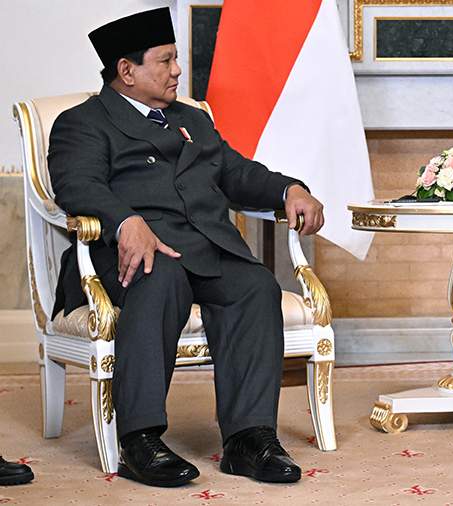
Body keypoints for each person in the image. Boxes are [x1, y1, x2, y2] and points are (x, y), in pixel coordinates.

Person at [48, 8, 324, 487]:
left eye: (176, 59)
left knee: (255, 286)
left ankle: (249, 439)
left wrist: (288, 189)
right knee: (159, 277)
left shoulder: (192, 119)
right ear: (126, 70)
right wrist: (126, 220)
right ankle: (140, 440)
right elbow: (77, 185)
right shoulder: (83, 123)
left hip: (205, 248)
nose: (178, 70)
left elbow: (236, 172)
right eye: (165, 61)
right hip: (128, 256)